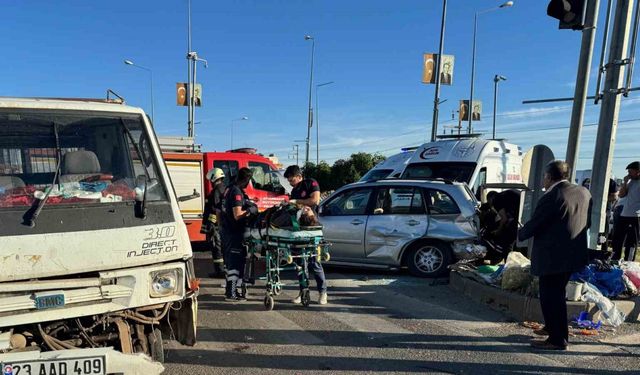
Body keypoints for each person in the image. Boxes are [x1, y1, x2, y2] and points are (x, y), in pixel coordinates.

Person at [518, 160, 591, 350]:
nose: (544, 180)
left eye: (544, 176)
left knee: (551, 296)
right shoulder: (583, 192)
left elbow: (536, 223)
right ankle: (551, 327)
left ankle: (557, 340)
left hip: (552, 257)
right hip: (574, 254)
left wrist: (520, 233)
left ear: (549, 177)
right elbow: (587, 223)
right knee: (557, 293)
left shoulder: (552, 196)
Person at [283, 165, 327, 305]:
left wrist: (297, 202)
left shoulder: (310, 183)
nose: (290, 183)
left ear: (299, 176)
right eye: (289, 181)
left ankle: (322, 292)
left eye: (292, 180)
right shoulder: (294, 190)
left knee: (315, 262)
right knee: (301, 263)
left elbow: (315, 200)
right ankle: (303, 292)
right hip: (299, 229)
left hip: (311, 228)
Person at [220, 167, 258, 301]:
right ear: (246, 180)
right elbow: (237, 215)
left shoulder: (229, 188)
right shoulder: (236, 191)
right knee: (235, 264)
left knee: (231, 263)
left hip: (226, 231)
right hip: (234, 232)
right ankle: (231, 293)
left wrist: (247, 203)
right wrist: (250, 210)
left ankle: (232, 291)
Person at [611, 161, 640, 261]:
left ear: (638, 172)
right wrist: (624, 183)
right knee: (617, 239)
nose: (628, 174)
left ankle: (629, 262)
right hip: (624, 214)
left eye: (630, 171)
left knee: (631, 242)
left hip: (635, 216)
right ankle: (615, 259)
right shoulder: (631, 181)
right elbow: (621, 195)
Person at [201, 168, 226, 278]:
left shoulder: (216, 190)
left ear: (214, 178)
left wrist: (213, 225)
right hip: (220, 224)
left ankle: (219, 271)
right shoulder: (224, 188)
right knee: (221, 247)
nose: (210, 182)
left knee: (216, 247)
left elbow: (216, 209)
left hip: (215, 224)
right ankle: (223, 270)